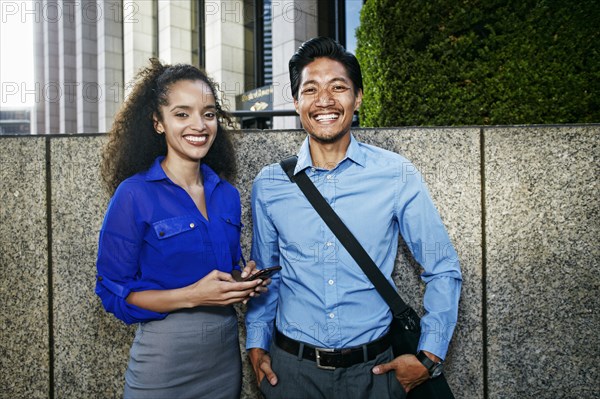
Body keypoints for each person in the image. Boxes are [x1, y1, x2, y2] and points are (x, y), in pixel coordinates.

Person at [245, 37, 462, 398]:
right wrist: (256, 344)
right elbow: (268, 275)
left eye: (338, 87)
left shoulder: (396, 174)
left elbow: (443, 267)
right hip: (291, 374)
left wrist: (428, 356)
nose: (325, 100)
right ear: (297, 102)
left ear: (357, 97)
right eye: (311, 89)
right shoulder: (269, 184)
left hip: (375, 374)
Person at [95, 58, 268, 399]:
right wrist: (192, 296)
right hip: (164, 364)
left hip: (223, 361)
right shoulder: (134, 194)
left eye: (208, 112)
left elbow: (225, 271)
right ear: (158, 123)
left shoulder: (227, 195)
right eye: (182, 113)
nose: (199, 125)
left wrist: (243, 280)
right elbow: (112, 292)